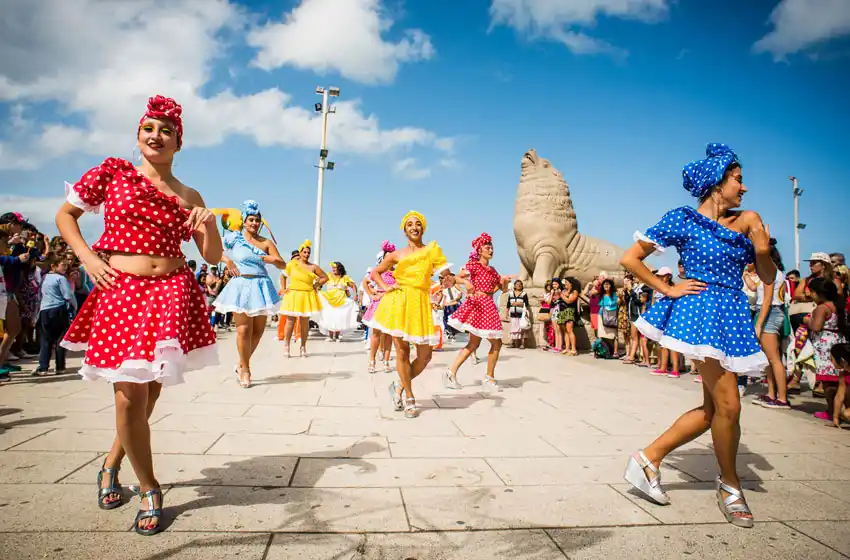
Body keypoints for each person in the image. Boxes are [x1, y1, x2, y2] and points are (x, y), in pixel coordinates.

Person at [56, 95, 222, 536]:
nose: (157, 135)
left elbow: (212, 254)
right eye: (150, 128)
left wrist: (207, 224)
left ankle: (110, 463)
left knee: (148, 392)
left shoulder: (190, 195)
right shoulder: (113, 173)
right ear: (138, 135)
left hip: (171, 292)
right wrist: (88, 258)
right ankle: (149, 486)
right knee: (129, 395)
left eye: (167, 131)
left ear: (178, 143)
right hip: (123, 291)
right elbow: (66, 215)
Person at [622, 143, 774, 529]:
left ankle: (647, 459)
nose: (743, 188)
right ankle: (730, 485)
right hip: (701, 315)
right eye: (738, 180)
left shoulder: (746, 223)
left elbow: (768, 277)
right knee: (730, 406)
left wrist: (761, 245)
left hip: (732, 315)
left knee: (714, 411)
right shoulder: (683, 220)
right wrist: (668, 288)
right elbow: (630, 258)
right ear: (716, 183)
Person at [370, 211, 453, 418]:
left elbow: (446, 273)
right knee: (403, 352)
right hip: (399, 302)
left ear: (423, 228)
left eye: (417, 224)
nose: (414, 227)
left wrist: (451, 280)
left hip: (421, 304)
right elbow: (376, 273)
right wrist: (385, 287)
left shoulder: (432, 250)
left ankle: (399, 384)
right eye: (409, 225)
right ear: (404, 230)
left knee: (425, 355)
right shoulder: (396, 255)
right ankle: (409, 397)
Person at [213, 200, 285, 388]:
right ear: (244, 221)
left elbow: (282, 264)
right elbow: (214, 251)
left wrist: (271, 259)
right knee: (243, 330)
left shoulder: (265, 242)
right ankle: (245, 369)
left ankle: (240, 364)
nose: (254, 223)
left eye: (257, 220)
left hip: (261, 286)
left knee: (257, 332)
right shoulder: (234, 238)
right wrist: (227, 261)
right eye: (251, 219)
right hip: (241, 285)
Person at [446, 233, 514, 391]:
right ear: (479, 250)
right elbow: (453, 278)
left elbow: (500, 289)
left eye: (491, 247)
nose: (490, 249)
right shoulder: (473, 265)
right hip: (478, 305)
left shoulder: (493, 270)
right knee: (491, 343)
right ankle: (488, 378)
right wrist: (466, 283)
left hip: (488, 305)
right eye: (487, 247)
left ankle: (453, 373)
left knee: (478, 343)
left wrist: (504, 282)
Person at [751, 239, 791, 409]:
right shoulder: (773, 270)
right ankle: (772, 394)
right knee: (769, 358)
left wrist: (759, 324)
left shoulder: (771, 270)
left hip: (769, 312)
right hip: (769, 311)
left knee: (774, 358)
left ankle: (782, 398)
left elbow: (767, 300)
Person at [279, 240, 327, 358]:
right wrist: (284, 289)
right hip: (294, 294)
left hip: (307, 295)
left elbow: (325, 277)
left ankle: (303, 346)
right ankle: (286, 346)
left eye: (308, 253)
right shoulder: (292, 264)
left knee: (305, 323)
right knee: (290, 321)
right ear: (300, 253)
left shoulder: (313, 267)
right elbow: (283, 276)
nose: (306, 254)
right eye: (304, 252)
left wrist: (316, 285)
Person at [32, 257, 77, 375]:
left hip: (45, 310)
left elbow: (40, 295)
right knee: (60, 340)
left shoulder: (44, 277)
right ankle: (60, 367)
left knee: (46, 340)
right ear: (53, 266)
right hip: (59, 310)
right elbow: (68, 295)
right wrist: (75, 307)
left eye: (66, 265)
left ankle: (43, 367)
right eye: (63, 265)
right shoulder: (61, 279)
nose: (65, 268)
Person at [362, 241, 396, 373]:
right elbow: (365, 282)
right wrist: (372, 295)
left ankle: (386, 361)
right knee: (376, 334)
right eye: (387, 256)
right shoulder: (378, 271)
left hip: (392, 305)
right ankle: (372, 360)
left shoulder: (398, 273)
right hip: (379, 304)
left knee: (389, 335)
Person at [317, 261, 359, 341]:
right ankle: (330, 336)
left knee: (339, 317)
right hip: (329, 298)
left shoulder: (345, 277)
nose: (333, 269)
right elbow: (321, 282)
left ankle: (336, 336)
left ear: (339, 268)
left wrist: (355, 295)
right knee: (329, 316)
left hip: (341, 300)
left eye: (335, 268)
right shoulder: (328, 275)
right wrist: (317, 288)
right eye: (333, 268)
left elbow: (353, 286)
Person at [507, 279, 530, 349]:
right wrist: (506, 313)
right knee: (513, 328)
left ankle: (522, 344)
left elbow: (527, 304)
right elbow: (508, 304)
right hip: (513, 313)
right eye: (517, 284)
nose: (519, 285)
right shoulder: (510, 294)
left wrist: (519, 304)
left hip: (521, 314)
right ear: (514, 286)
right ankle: (513, 343)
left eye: (520, 284)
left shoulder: (524, 294)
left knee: (522, 328)